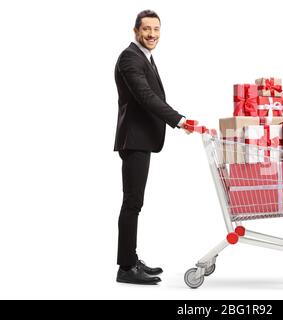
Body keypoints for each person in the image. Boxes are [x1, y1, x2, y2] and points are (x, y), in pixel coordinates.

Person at [113, 9, 189, 285]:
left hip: (141, 139)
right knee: (132, 203)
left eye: (156, 29)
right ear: (136, 31)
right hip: (134, 139)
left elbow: (150, 94)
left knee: (135, 202)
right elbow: (145, 96)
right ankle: (126, 268)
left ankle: (131, 259)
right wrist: (179, 120)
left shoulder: (144, 56)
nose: (152, 34)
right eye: (146, 29)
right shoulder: (129, 58)